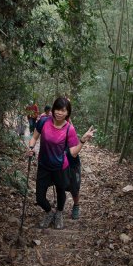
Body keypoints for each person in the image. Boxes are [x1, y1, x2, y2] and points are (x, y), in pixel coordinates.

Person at [27, 96, 95, 230]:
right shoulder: (43, 122)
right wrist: (30, 148)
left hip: (60, 167)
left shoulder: (69, 129)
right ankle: (49, 212)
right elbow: (34, 137)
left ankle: (59, 213)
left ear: (67, 112)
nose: (59, 113)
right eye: (57, 109)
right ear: (53, 109)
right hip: (44, 165)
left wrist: (82, 140)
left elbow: (73, 152)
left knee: (60, 191)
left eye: (63, 110)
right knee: (39, 198)